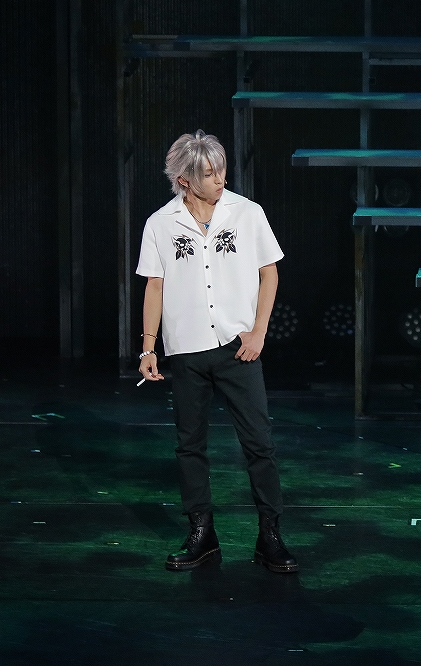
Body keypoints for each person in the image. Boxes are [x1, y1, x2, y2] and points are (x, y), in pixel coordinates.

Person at [136, 130, 298, 573]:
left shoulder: (247, 212)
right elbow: (155, 286)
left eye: (221, 169)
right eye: (208, 174)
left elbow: (269, 273)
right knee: (189, 445)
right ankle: (201, 534)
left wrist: (259, 331)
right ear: (184, 180)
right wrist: (148, 348)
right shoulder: (161, 223)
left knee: (259, 444)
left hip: (237, 347)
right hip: (186, 350)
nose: (220, 179)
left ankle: (270, 536)